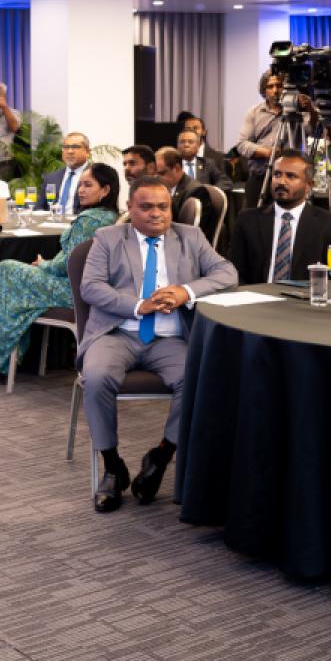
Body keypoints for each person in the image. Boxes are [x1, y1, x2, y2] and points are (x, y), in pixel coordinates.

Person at [78, 177, 237, 512]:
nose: (156, 214)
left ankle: (161, 456)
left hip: (170, 338)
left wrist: (185, 292)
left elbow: (227, 273)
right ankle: (113, 467)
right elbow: (90, 287)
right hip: (117, 333)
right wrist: (139, 305)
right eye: (147, 207)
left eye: (163, 207)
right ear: (130, 208)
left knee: (198, 378)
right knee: (96, 377)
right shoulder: (108, 238)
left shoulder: (190, 236)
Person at [0, 163, 121, 384]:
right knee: (15, 277)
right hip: (87, 287)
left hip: (73, 291)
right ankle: (7, 357)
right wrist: (46, 264)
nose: (81, 190)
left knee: (6, 270)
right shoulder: (109, 216)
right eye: (80, 185)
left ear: (105, 190)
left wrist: (43, 264)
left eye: (88, 185)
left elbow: (68, 265)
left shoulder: (89, 221)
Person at [226, 150, 331, 285]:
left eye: (291, 176)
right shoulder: (247, 220)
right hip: (257, 295)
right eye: (277, 174)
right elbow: (234, 272)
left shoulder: (330, 224)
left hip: (305, 296)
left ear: (309, 185)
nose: (281, 181)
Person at [235, 71, 292, 201]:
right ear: (264, 90)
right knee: (252, 213)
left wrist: (310, 109)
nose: (275, 90)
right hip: (259, 176)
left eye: (279, 86)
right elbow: (242, 144)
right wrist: (269, 153)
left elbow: (313, 131)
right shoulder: (254, 112)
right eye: (270, 86)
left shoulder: (295, 112)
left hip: (288, 177)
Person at [155, 146, 218, 234]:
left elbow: (191, 231)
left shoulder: (196, 192)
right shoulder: (165, 188)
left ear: (177, 168)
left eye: (161, 174)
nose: (156, 178)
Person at [39, 131, 92, 215]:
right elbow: (39, 208)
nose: (70, 151)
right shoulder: (51, 178)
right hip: (52, 221)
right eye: (66, 147)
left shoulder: (96, 176)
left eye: (75, 147)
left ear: (87, 152)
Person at [180, 114, 232, 180]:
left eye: (195, 128)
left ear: (204, 132)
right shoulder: (175, 157)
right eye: (188, 129)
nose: (192, 131)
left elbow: (223, 181)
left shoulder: (217, 158)